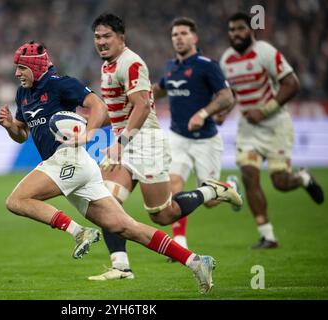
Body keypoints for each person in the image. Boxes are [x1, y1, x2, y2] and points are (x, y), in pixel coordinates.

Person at [0, 40, 223, 294]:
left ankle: (78, 232)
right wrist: (10, 126)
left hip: (68, 157)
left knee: (16, 200)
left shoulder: (61, 84)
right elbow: (22, 133)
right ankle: (195, 261)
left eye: (22, 68)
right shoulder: (23, 94)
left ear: (36, 67)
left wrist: (87, 133)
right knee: (126, 227)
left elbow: (99, 107)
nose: (17, 73)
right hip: (73, 166)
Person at [88, 13, 242, 281]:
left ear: (121, 38)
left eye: (107, 36)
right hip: (124, 143)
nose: (101, 42)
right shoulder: (108, 66)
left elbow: (143, 105)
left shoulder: (131, 63)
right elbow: (114, 110)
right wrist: (87, 128)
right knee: (106, 204)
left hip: (145, 143)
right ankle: (121, 266)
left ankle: (215, 190)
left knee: (162, 215)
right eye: (97, 37)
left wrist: (121, 143)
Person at [219, 12, 324, 249]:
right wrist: (223, 112)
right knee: (248, 174)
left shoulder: (265, 52)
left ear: (251, 30)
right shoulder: (226, 61)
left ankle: (302, 178)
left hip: (276, 124)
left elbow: (292, 84)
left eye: (241, 29)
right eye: (232, 30)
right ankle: (268, 235)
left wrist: (264, 111)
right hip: (248, 128)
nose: (236, 34)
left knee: (280, 182)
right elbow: (231, 94)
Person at [152, 17, 241, 254]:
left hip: (206, 140)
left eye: (183, 33)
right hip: (177, 137)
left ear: (194, 37)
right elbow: (159, 89)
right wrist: (140, 96)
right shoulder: (171, 66)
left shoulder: (207, 65)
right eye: (174, 34)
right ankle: (180, 241)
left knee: (210, 201)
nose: (178, 38)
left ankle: (230, 184)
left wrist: (203, 113)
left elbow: (227, 96)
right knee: (173, 186)